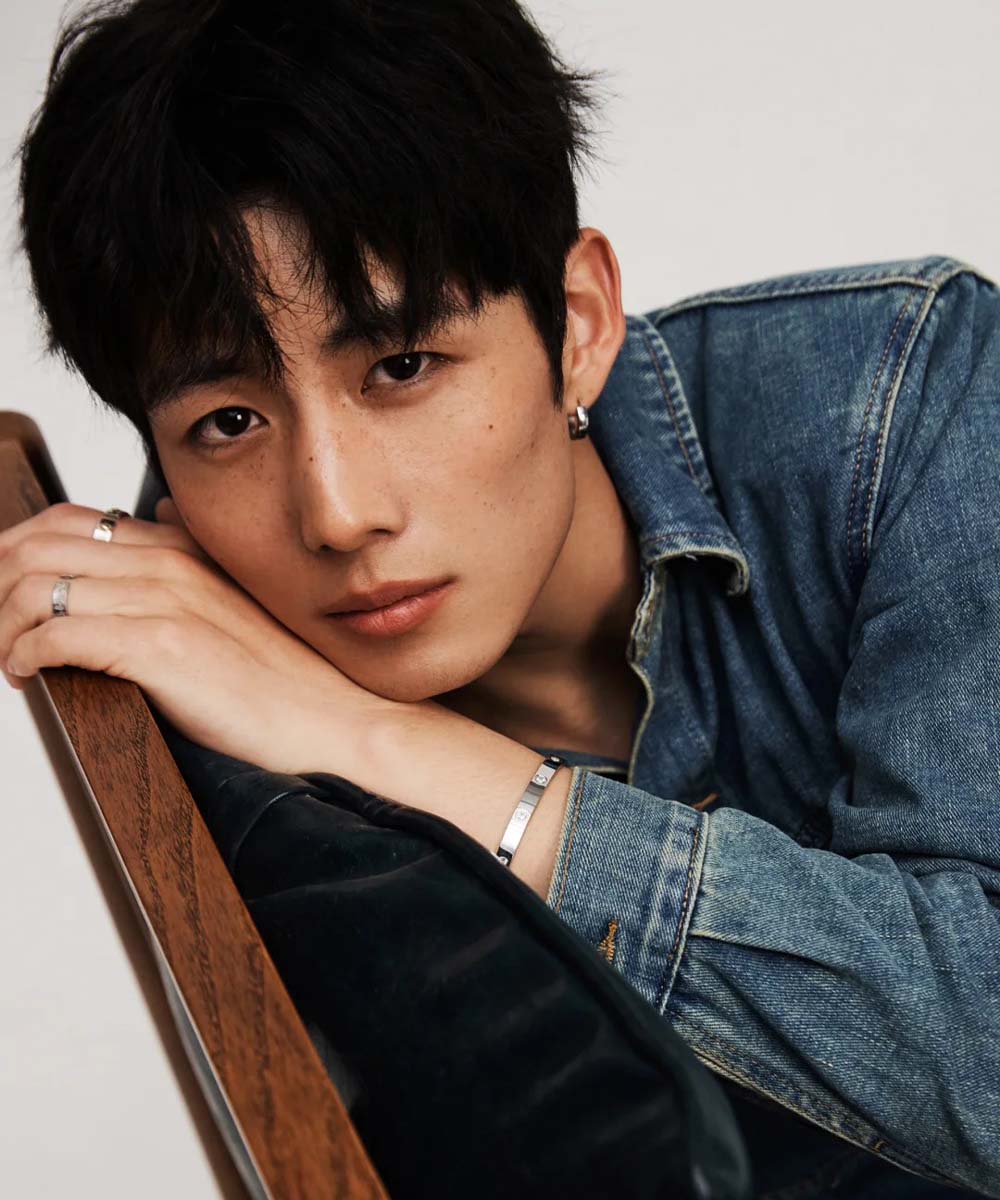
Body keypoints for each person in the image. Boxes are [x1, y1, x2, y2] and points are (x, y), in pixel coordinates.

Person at [5, 0, 999, 1195]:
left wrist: (377, 742)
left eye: (402, 366)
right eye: (227, 423)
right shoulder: (185, 668)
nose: (335, 513)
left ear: (577, 326)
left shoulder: (901, 406)